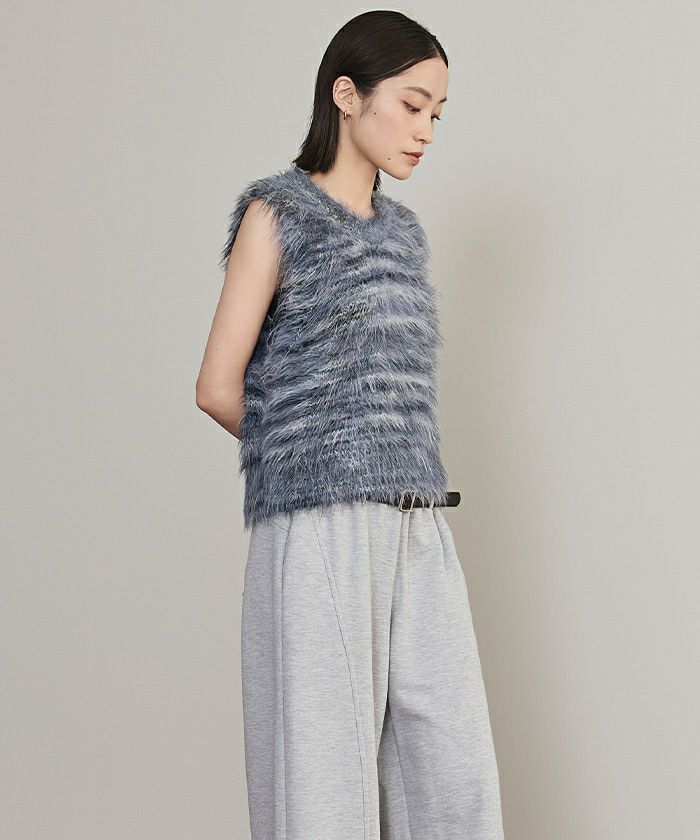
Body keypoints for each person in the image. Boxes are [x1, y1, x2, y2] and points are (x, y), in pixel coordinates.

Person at [196, 10, 505, 840]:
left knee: (453, 773)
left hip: (418, 522)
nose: (426, 130)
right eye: (411, 105)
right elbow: (218, 385)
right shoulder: (277, 213)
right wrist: (317, 456)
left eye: (438, 112)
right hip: (321, 523)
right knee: (324, 778)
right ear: (347, 95)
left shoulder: (403, 234)